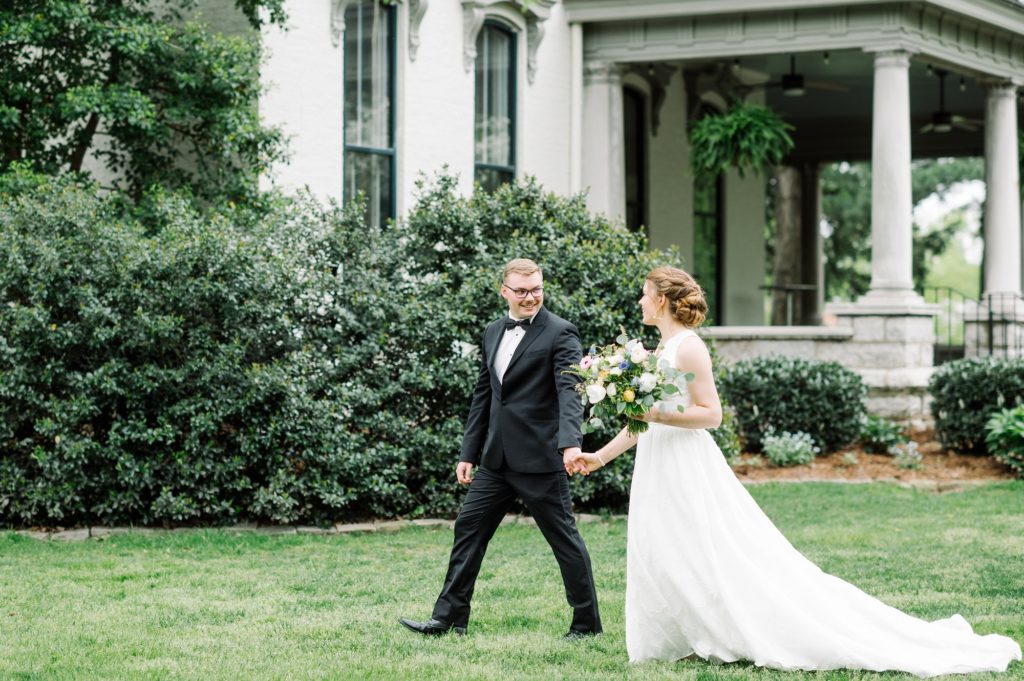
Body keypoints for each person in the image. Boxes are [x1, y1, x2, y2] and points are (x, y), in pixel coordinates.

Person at [570, 265, 1022, 675]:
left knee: (702, 549)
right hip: (658, 460)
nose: (640, 302)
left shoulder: (689, 349)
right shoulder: (659, 349)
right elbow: (642, 422)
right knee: (664, 548)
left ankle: (719, 632)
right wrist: (599, 456)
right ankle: (690, 635)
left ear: (663, 300)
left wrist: (660, 417)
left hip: (686, 463)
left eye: (645, 295)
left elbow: (711, 415)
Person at [400, 258, 601, 639]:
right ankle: (449, 619)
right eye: (522, 291)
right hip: (495, 460)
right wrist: (468, 452)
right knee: (469, 529)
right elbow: (484, 395)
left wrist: (570, 444)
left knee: (564, 541)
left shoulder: (561, 333)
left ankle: (587, 624)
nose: (531, 297)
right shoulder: (493, 331)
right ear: (504, 291)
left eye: (537, 289)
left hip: (541, 458)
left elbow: (570, 391)